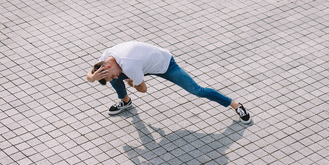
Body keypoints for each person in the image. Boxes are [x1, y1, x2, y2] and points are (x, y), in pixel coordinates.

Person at [86, 41, 252, 124]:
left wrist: (132, 83)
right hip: (141, 65)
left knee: (197, 90)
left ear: (107, 66)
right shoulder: (107, 57)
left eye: (112, 75)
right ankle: (126, 102)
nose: (115, 77)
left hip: (165, 65)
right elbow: (90, 75)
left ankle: (235, 105)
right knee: (114, 80)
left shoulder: (129, 64)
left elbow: (143, 89)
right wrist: (93, 77)